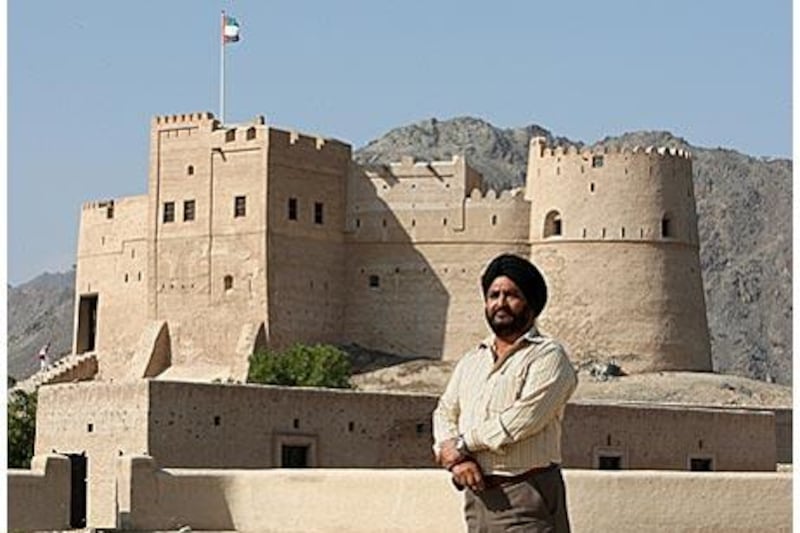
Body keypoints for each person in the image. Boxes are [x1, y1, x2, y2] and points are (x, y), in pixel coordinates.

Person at [432, 253, 577, 532]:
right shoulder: (472, 360)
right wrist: (457, 461)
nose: (500, 303)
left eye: (511, 295)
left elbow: (521, 421)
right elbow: (444, 411)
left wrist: (461, 445)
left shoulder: (547, 356)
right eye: (493, 295)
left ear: (531, 303)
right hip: (477, 498)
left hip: (525, 495)